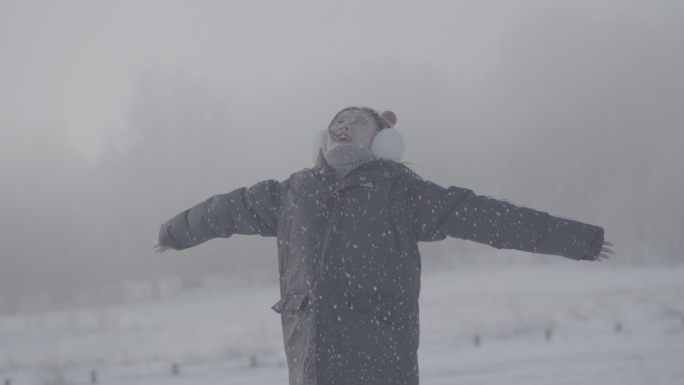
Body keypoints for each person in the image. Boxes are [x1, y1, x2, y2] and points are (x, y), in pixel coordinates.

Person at [155, 106, 613, 385]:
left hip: (379, 359)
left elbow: (489, 217)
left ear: (383, 142)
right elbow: (225, 210)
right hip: (310, 361)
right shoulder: (292, 193)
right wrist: (173, 233)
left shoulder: (401, 192)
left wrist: (582, 241)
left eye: (356, 122)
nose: (343, 125)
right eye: (337, 121)